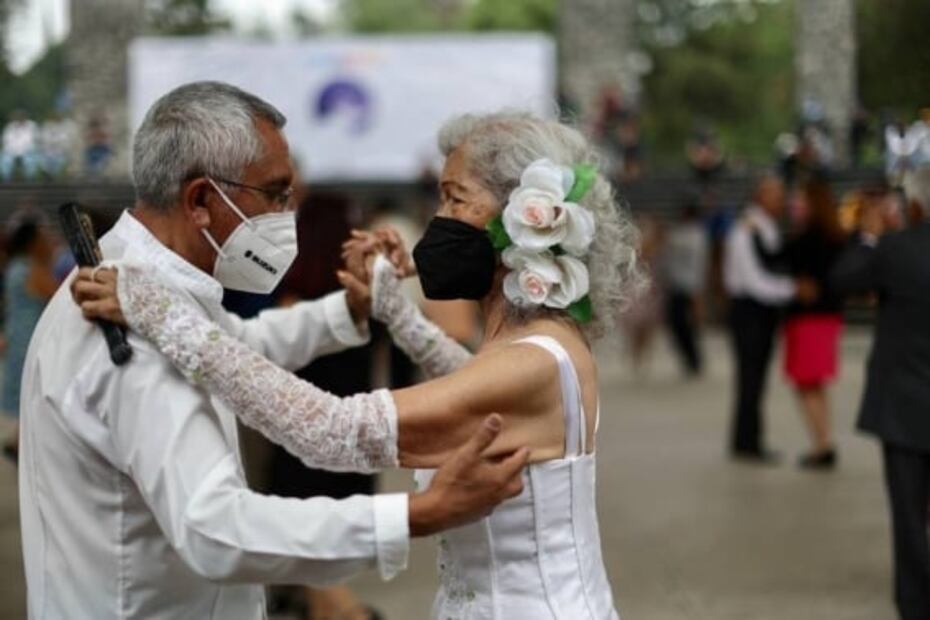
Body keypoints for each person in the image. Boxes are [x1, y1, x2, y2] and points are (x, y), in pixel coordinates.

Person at [73, 110, 644, 619]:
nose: (438, 218)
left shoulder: (531, 361)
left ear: (524, 220)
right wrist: (394, 310)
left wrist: (170, 322)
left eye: (455, 198)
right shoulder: (542, 345)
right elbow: (463, 376)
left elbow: (331, 430)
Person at [18, 82, 525, 620]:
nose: (288, 217)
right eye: (277, 195)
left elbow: (236, 345)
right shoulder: (132, 325)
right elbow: (215, 528)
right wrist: (418, 513)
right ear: (200, 201)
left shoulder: (146, 290)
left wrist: (350, 311)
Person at [831, 122, 930, 620]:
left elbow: (842, 279)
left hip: (905, 407)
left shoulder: (894, 250)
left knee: (910, 519)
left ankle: (915, 605)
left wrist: (869, 234)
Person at [723, 174, 816, 462]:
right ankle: (747, 443)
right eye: (773, 193)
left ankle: (748, 438)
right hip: (750, 311)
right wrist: (792, 290)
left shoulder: (766, 227)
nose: (780, 199)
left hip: (762, 311)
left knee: (756, 379)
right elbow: (753, 281)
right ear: (758, 196)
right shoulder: (746, 230)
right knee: (750, 379)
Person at [783, 180, 847, 469]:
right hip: (828, 319)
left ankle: (821, 444)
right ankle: (823, 439)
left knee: (806, 383)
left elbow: (780, 259)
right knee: (816, 384)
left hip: (807, 320)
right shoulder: (836, 238)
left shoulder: (808, 239)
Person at [1, 212, 58, 462]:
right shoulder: (33, 270)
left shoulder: (14, 267)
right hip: (31, 340)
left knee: (26, 393)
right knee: (35, 392)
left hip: (17, 336)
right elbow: (60, 298)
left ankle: (18, 442)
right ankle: (23, 445)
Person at [661, 202, 709, 377]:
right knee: (677, 325)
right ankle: (690, 358)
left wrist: (698, 292)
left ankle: (694, 359)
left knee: (686, 325)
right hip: (677, 285)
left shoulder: (696, 235)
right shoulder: (682, 233)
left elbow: (698, 264)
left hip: (689, 286)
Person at [1, 110, 41, 180]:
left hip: (28, 151)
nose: (19, 118)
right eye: (17, 117)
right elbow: (5, 141)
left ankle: (30, 181)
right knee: (5, 160)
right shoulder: (10, 127)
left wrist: (27, 149)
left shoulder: (32, 126)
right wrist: (10, 150)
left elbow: (36, 140)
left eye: (21, 116)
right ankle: (6, 181)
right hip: (11, 151)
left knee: (30, 162)